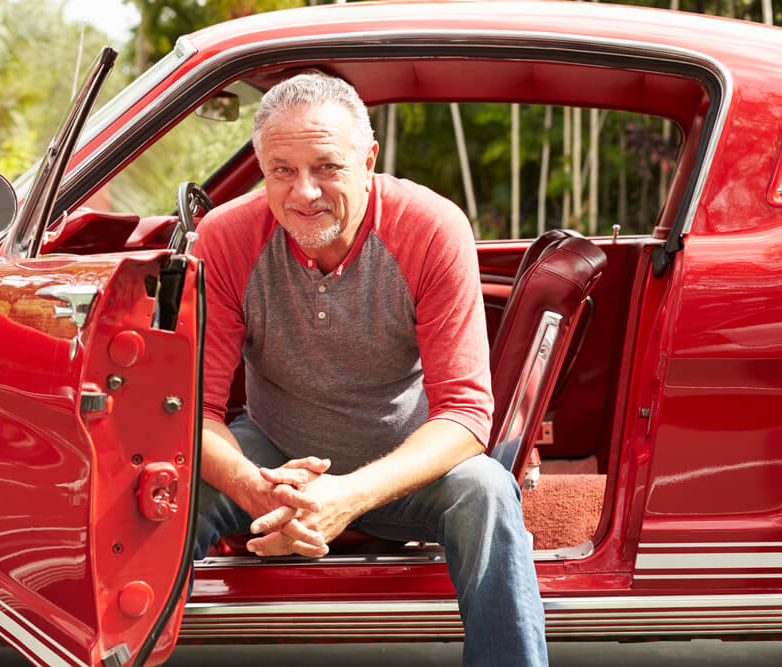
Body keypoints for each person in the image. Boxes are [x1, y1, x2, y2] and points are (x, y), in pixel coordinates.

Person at [191, 73, 547, 666]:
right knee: (165, 491)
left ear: (368, 159)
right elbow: (192, 410)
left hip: (404, 462)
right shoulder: (224, 237)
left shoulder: (432, 227)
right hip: (271, 452)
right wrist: (256, 490)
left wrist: (346, 497)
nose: (304, 192)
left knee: (486, 492)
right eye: (282, 170)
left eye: (326, 166)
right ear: (261, 167)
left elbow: (465, 415)